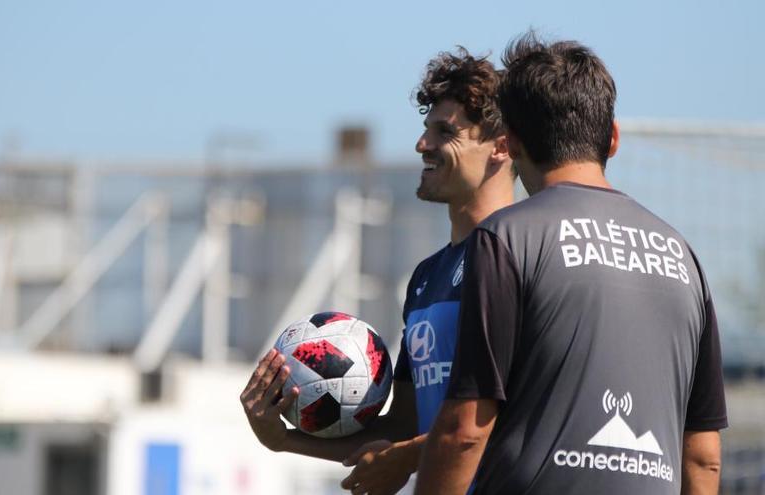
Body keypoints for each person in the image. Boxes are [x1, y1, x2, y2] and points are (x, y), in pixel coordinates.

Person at [415, 33, 727, 495]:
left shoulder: (507, 239)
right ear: (613, 138)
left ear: (514, 143)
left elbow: (466, 432)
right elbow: (702, 458)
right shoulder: (683, 255)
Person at [239, 47, 515, 495]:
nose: (422, 145)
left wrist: (408, 457)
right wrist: (284, 439)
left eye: (444, 132)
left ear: (501, 147)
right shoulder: (428, 277)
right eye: (425, 130)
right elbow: (404, 429)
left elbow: (524, 423)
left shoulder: (524, 258)